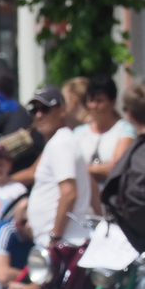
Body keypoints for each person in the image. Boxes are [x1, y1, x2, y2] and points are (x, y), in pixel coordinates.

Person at [24, 85, 91, 248]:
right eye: (34, 110)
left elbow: (69, 193)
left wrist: (55, 236)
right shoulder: (61, 141)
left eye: (45, 109)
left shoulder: (60, 143)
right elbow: (91, 184)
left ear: (62, 110)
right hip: (63, 240)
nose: (39, 115)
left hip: (63, 242)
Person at [76, 75, 134, 198]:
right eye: (90, 100)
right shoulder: (78, 133)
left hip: (111, 199)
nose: (93, 106)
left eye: (99, 101)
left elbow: (116, 168)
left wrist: (81, 169)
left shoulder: (124, 129)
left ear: (112, 102)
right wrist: (99, 169)